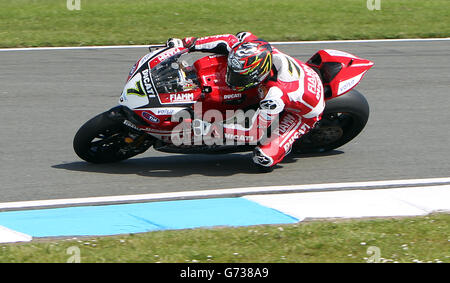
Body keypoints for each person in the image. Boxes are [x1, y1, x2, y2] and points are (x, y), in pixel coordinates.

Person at [167, 32, 325, 172]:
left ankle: (285, 145)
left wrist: (210, 128)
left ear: (258, 74)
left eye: (239, 77)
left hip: (304, 113)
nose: (231, 77)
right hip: (299, 76)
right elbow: (229, 39)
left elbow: (254, 132)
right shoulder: (254, 48)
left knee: (263, 158)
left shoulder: (275, 95)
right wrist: (187, 44)